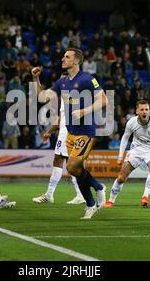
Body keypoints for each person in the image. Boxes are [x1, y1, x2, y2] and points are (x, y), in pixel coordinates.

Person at [32, 48, 107, 219]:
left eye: (67, 57)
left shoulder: (88, 79)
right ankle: (90, 204)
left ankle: (99, 187)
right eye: (63, 56)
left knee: (72, 166)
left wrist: (83, 111)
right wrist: (35, 78)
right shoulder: (63, 82)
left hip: (86, 132)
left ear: (76, 61)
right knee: (74, 170)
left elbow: (104, 100)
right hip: (70, 133)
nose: (62, 59)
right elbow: (42, 97)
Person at [105, 100, 150, 208]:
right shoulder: (131, 122)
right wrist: (120, 156)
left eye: (146, 109)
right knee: (121, 178)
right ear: (137, 111)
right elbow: (125, 138)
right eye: (142, 109)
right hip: (136, 150)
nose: (144, 112)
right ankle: (111, 200)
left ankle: (145, 197)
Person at [32, 99, 85, 205]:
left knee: (61, 161)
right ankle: (80, 195)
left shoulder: (72, 94)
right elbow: (63, 117)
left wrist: (49, 131)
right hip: (71, 132)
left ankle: (50, 194)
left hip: (68, 133)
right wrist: (49, 131)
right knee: (67, 162)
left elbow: (68, 115)